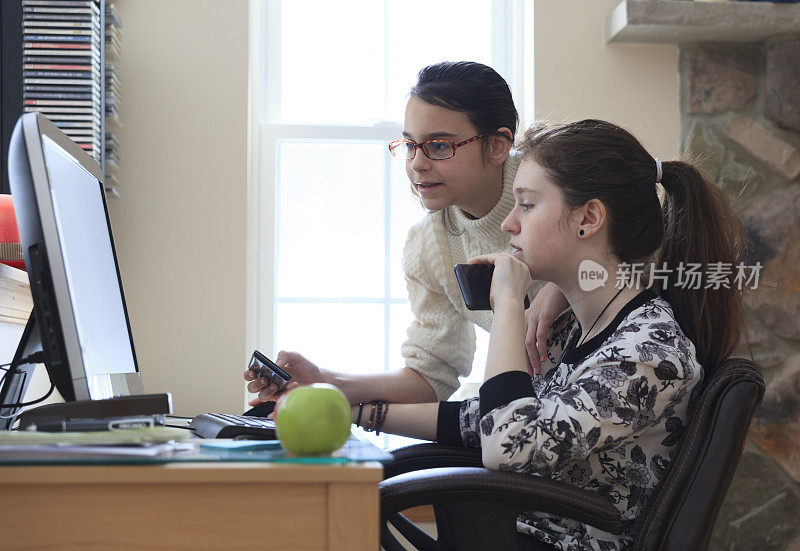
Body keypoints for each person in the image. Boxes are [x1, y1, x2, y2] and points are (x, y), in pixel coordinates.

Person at [351, 119, 747, 550]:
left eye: (527, 205)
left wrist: (507, 305)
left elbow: (508, 446)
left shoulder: (647, 352)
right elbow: (484, 421)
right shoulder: (577, 327)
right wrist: (359, 412)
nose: (509, 225)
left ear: (589, 218)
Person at [245, 61, 568, 408]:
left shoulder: (561, 181)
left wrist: (563, 288)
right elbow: (432, 375)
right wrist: (327, 382)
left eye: (439, 146)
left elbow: (632, 253)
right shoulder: (429, 248)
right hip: (538, 417)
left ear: (497, 146)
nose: (416, 163)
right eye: (410, 145)